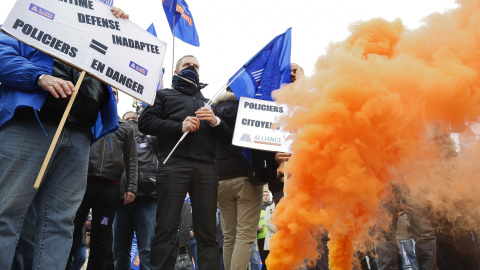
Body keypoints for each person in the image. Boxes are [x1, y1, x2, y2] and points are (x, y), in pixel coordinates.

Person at [0, 7, 128, 269]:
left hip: (80, 135)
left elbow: (125, 67)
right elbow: (2, 54)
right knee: (7, 212)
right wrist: (37, 77)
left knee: (60, 223)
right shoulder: (34, 14)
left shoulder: (99, 31)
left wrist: (119, 31)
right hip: (30, 124)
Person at [139, 55, 229, 270]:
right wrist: (178, 126)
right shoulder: (163, 95)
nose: (193, 68)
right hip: (174, 164)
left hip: (206, 168)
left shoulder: (210, 103)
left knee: (207, 230)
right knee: (166, 227)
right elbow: (145, 122)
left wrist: (216, 122)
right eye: (187, 65)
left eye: (196, 65)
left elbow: (226, 139)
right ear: (176, 72)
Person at [68, 87, 138, 270]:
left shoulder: (126, 128)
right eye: (108, 92)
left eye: (115, 93)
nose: (111, 96)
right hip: (82, 183)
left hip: (109, 191)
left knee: (102, 237)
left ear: (118, 99)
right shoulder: (88, 119)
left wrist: (131, 187)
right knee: (71, 232)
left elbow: (132, 160)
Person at [214, 89, 264, 270]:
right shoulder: (248, 109)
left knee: (229, 237)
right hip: (245, 179)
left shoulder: (213, 110)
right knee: (245, 235)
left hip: (220, 179)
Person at [112, 111, 158, 270]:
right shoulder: (114, 138)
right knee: (119, 249)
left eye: (135, 118)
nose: (132, 121)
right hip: (120, 199)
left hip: (147, 198)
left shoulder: (151, 140)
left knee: (148, 248)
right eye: (127, 119)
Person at [257, 190, 272, 270]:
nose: (265, 196)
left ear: (269, 197)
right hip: (261, 238)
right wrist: (257, 228)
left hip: (272, 238)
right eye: (264, 195)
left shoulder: (273, 208)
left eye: (267, 195)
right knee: (264, 261)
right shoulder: (257, 210)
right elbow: (253, 223)